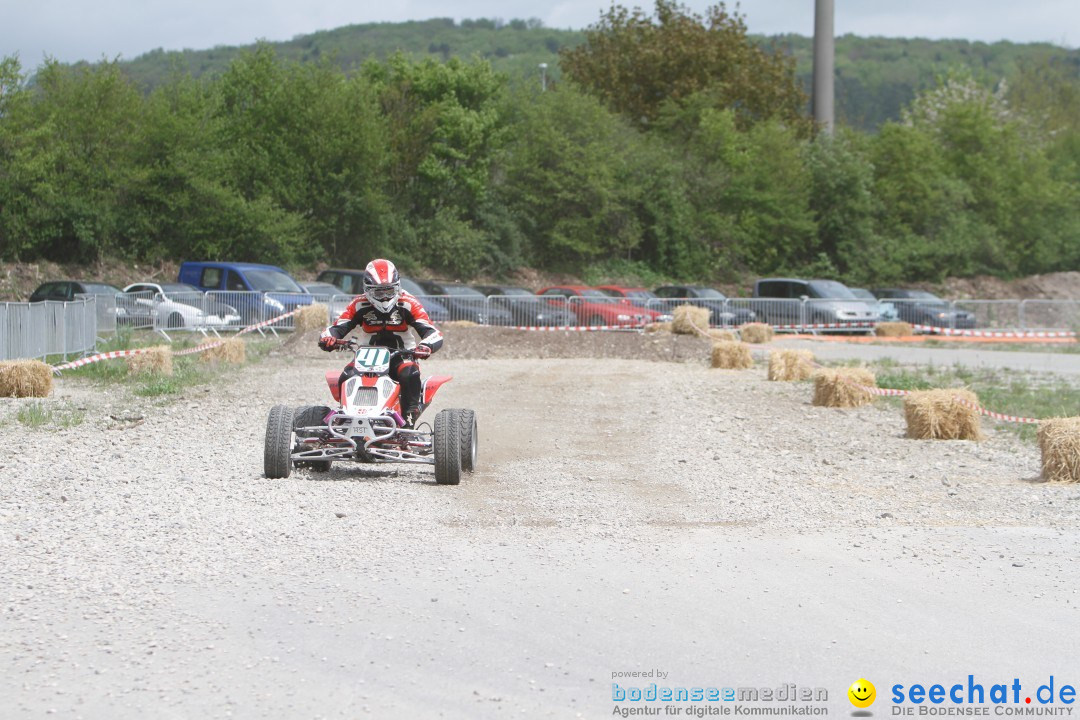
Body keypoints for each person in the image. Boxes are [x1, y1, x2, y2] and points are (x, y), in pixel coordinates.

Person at [318, 259, 443, 428]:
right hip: (366, 355)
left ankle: (408, 422)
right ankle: (346, 419)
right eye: (379, 292)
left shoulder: (408, 303)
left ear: (397, 287)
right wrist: (328, 338)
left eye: (389, 291)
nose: (385, 297)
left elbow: (432, 332)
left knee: (410, 375)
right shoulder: (359, 304)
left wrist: (425, 346)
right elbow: (338, 327)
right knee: (345, 377)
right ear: (368, 290)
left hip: (403, 354)